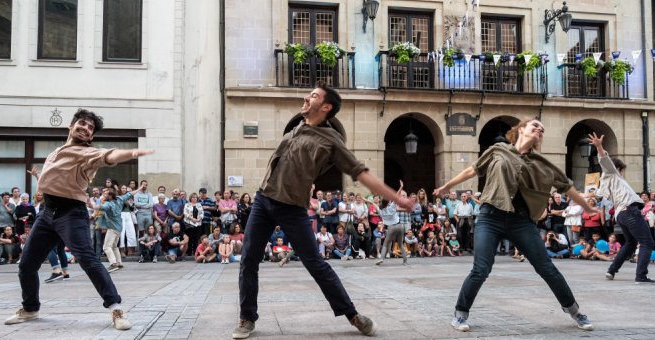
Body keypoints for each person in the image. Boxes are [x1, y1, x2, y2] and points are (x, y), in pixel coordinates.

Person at [233, 82, 412, 339]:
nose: (307, 97)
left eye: (314, 96)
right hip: (263, 200)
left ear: (326, 107)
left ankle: (353, 315)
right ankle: (246, 318)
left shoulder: (331, 140)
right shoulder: (297, 127)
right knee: (249, 259)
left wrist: (397, 198)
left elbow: (361, 173)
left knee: (315, 263)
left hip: (292, 208)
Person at [434, 119, 595, 332]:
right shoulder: (498, 150)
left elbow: (567, 187)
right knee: (481, 269)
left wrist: (586, 206)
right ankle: (460, 314)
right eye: (535, 126)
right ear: (521, 130)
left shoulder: (542, 164)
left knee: (546, 267)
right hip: (490, 216)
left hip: (521, 221)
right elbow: (472, 171)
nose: (539, 129)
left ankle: (575, 311)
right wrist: (447, 186)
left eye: (542, 129)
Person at [5, 109, 153, 329]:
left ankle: (116, 309)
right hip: (47, 213)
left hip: (71, 213)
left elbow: (109, 155)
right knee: (27, 265)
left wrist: (132, 153)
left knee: (88, 260)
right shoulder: (56, 151)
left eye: (90, 128)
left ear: (91, 137)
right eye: (82, 124)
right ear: (71, 126)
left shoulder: (87, 153)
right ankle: (30, 308)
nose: (85, 128)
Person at [589, 132, 655, 284]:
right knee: (647, 242)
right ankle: (641, 276)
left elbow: (596, 193)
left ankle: (611, 270)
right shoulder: (612, 173)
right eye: (622, 171)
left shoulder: (605, 184)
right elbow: (605, 161)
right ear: (619, 169)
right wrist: (599, 146)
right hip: (629, 211)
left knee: (631, 243)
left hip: (621, 215)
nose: (623, 174)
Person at [97, 186, 141, 273]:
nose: (104, 194)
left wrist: (90, 205)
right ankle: (119, 263)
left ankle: (113, 264)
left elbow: (101, 208)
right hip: (118, 228)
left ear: (110, 195)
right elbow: (129, 194)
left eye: (106, 193)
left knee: (106, 247)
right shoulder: (119, 199)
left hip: (112, 228)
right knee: (114, 246)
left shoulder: (109, 204)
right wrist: (140, 188)